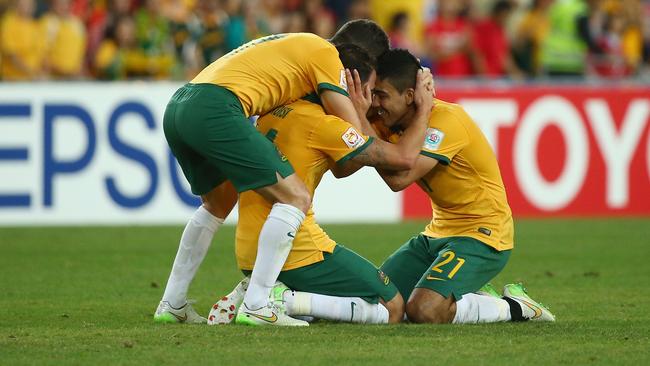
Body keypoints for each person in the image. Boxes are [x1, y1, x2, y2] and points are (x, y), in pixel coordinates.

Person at [154, 20, 390, 326]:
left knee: (217, 203)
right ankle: (258, 304)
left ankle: (172, 303)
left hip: (180, 105)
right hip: (217, 107)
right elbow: (353, 135)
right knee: (295, 196)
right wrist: (360, 105)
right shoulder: (326, 54)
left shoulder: (299, 43)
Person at [209, 44, 433, 326]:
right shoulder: (325, 126)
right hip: (298, 251)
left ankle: (264, 292)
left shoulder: (277, 109)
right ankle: (282, 299)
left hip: (249, 250)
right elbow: (404, 158)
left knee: (341, 301)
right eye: (370, 90)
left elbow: (342, 169)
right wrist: (422, 109)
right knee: (391, 306)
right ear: (350, 85)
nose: (373, 101)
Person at [369, 49, 555, 324]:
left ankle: (513, 306)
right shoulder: (389, 119)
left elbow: (399, 179)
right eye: (373, 93)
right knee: (378, 301)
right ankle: (475, 295)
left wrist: (363, 129)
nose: (376, 102)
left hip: (483, 236)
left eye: (382, 95)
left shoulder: (446, 122)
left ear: (410, 96)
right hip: (436, 235)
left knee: (424, 311)